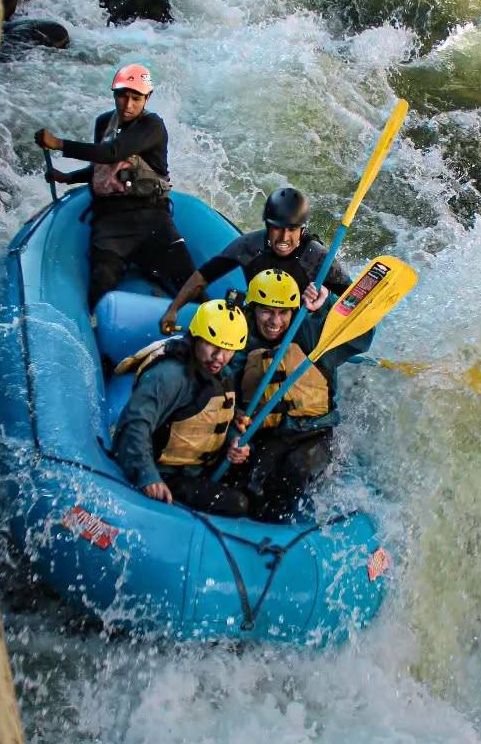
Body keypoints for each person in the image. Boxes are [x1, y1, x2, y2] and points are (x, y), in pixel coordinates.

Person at [35, 64, 197, 308]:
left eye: (136, 98)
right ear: (114, 95)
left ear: (147, 98)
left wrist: (60, 144)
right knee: (100, 288)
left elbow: (113, 152)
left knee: (190, 284)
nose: (128, 104)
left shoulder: (152, 126)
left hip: (151, 217)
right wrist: (68, 178)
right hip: (111, 220)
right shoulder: (104, 123)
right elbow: (103, 168)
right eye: (122, 96)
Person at [234, 268, 374, 521]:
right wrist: (236, 416)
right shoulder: (241, 339)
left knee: (295, 468)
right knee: (254, 474)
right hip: (272, 433)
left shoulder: (312, 334)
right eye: (266, 311)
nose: (274, 322)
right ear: (252, 309)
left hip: (315, 434)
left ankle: (282, 535)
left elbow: (362, 339)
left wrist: (328, 302)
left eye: (283, 313)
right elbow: (224, 389)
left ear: (293, 312)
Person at [113, 299, 252, 515]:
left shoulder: (221, 374)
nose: (219, 357)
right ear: (195, 338)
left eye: (229, 349)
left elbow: (215, 418)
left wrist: (232, 443)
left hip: (197, 467)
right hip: (165, 471)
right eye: (212, 346)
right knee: (237, 504)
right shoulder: (170, 376)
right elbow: (135, 423)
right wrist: (148, 476)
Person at [158, 186, 351, 334]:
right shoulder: (249, 246)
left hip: (298, 329)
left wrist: (323, 299)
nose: (284, 237)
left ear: (302, 229)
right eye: (277, 228)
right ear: (267, 225)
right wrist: (174, 309)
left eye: (292, 229)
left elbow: (352, 297)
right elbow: (204, 276)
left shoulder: (317, 257)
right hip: (260, 321)